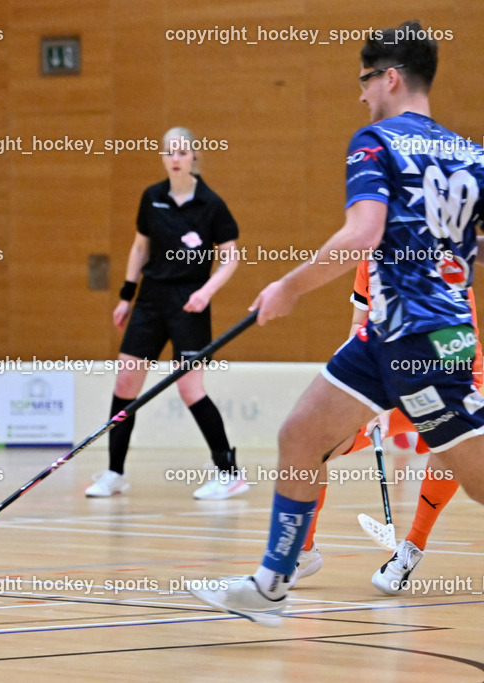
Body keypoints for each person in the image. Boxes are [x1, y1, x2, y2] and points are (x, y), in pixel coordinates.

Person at [188, 20, 484, 626]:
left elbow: (361, 233)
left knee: (478, 479)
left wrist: (287, 288)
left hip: (423, 343)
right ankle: (273, 582)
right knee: (301, 434)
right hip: (381, 337)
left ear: (392, 78)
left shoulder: (374, 142)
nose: (361, 94)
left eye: (366, 80)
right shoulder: (473, 156)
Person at [292, 259, 471, 594]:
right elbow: (359, 324)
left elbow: (457, 344)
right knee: (314, 443)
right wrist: (360, 390)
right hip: (386, 381)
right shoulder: (371, 258)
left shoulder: (445, 261)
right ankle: (303, 552)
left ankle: (411, 547)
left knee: (452, 448)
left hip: (443, 379)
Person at [86, 127, 244, 500]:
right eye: (168, 151)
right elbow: (140, 248)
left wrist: (206, 292)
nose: (175, 158)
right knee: (125, 384)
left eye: (182, 151)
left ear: (194, 156)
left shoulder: (211, 204)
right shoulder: (151, 197)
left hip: (190, 304)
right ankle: (114, 472)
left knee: (190, 388)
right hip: (150, 301)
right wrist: (127, 295)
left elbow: (230, 257)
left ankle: (229, 473)